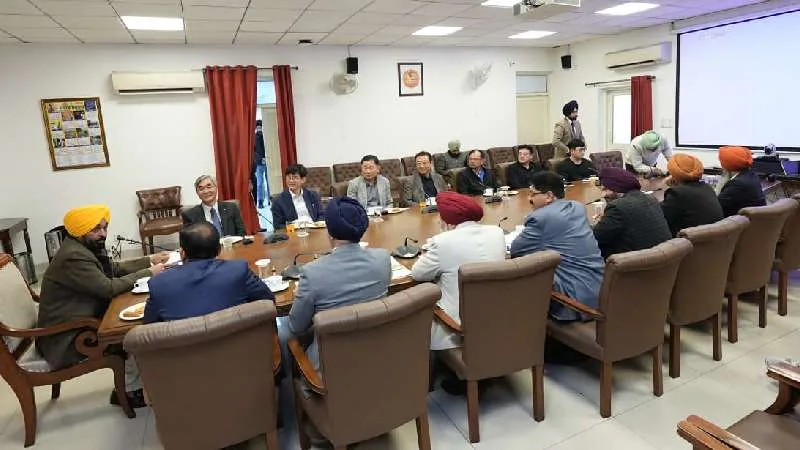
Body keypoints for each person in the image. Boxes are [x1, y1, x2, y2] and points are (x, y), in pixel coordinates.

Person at [36, 205, 169, 408]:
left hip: (77, 320)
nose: (103, 234)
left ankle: (139, 381)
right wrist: (150, 273)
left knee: (135, 317)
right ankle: (129, 392)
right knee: (128, 331)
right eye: (96, 229)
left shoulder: (83, 246)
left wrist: (149, 260)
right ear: (80, 230)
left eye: (105, 227)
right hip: (65, 337)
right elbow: (108, 288)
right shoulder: (73, 257)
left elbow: (112, 269)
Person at [280, 197, 391, 374]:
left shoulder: (311, 273)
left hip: (328, 368)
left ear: (330, 233)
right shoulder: (383, 259)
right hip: (377, 354)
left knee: (283, 329)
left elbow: (296, 327)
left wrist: (300, 294)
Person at [411, 191, 505, 351]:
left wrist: (432, 247)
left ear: (447, 221)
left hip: (456, 329)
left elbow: (418, 274)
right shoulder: (497, 232)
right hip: (497, 320)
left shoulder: (442, 242)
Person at [510, 172, 604, 321]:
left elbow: (516, 251)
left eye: (533, 194)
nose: (529, 199)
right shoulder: (578, 207)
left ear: (549, 196)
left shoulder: (539, 218)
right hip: (601, 291)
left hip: (574, 302)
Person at [143, 222, 274, 323]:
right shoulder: (238, 270)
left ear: (182, 252)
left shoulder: (159, 284)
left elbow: (149, 328)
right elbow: (269, 302)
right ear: (219, 250)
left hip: (185, 351)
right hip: (241, 348)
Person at [593, 168, 672, 258]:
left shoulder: (618, 206)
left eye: (605, 189)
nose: (603, 195)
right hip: (666, 258)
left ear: (616, 188)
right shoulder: (651, 199)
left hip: (637, 262)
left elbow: (595, 237)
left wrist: (597, 224)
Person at [661, 153, 723, 236]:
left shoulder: (677, 193)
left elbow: (660, 219)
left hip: (688, 241)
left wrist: (665, 188)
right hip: (712, 239)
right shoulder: (707, 188)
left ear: (673, 174)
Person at [270, 164, 324, 229]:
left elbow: (321, 215)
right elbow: (277, 225)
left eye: (295, 177)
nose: (291, 181)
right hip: (294, 231)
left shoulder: (313, 195)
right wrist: (294, 226)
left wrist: (316, 225)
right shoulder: (278, 201)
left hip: (314, 230)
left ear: (303, 180)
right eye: (289, 178)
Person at [716, 146, 766, 217]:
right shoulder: (751, 175)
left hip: (741, 223)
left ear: (728, 166)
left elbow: (715, 207)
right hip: (754, 221)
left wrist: (721, 181)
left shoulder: (737, 184)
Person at [253, 120, 267, 208]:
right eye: (257, 127)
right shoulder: (253, 138)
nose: (259, 129)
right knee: (260, 183)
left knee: (269, 183)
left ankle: (270, 200)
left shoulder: (266, 135)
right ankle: (260, 201)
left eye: (260, 127)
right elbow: (253, 151)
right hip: (258, 163)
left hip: (268, 162)